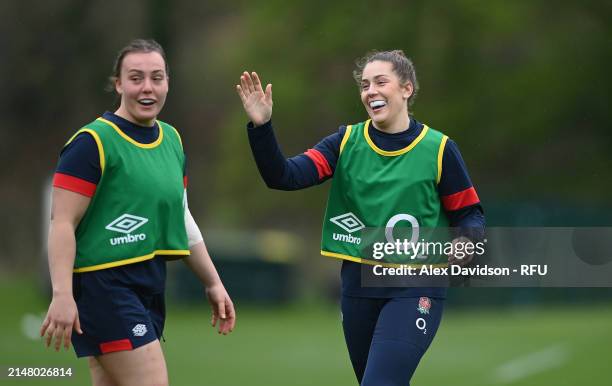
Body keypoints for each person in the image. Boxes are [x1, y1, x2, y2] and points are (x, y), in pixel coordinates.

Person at [236, 50, 484, 385]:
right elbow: (284, 176)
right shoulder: (345, 142)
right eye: (365, 85)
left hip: (415, 285)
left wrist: (467, 243)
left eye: (381, 82)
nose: (370, 91)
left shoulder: (439, 149)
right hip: (358, 286)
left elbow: (469, 213)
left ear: (406, 88)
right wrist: (262, 127)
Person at [40, 39, 236, 386]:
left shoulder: (172, 140)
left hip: (149, 283)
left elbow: (182, 216)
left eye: (156, 78)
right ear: (118, 84)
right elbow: (62, 223)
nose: (147, 87)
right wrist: (62, 295)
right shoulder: (92, 142)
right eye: (136, 78)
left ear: (167, 83)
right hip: (104, 286)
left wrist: (213, 282)